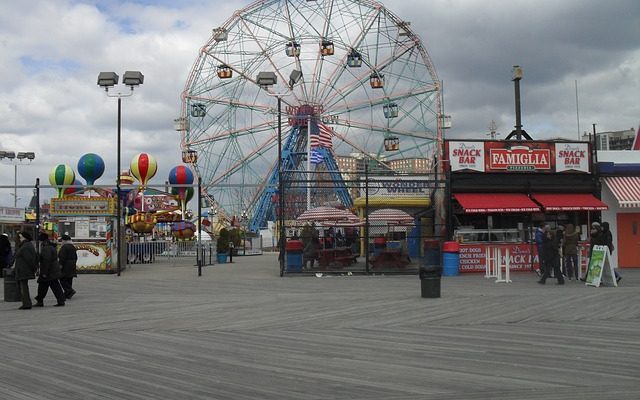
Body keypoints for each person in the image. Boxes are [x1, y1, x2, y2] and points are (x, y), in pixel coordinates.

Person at [34, 232, 66, 307]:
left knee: (44, 286)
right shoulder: (50, 246)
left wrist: (44, 272)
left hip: (49, 271)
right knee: (54, 286)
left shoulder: (46, 248)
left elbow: (46, 260)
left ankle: (40, 301)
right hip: (53, 271)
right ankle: (60, 300)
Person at [13, 231, 38, 310]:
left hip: (24, 270)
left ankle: (26, 303)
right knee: (23, 287)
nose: (19, 239)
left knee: (24, 287)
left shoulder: (26, 246)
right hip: (23, 269)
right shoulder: (25, 245)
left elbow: (29, 259)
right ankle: (26, 302)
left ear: (25, 237)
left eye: (20, 237)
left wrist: (33, 268)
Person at [58, 234, 78, 299]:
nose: (61, 242)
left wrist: (60, 264)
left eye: (62, 240)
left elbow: (62, 257)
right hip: (72, 265)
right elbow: (76, 257)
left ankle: (70, 291)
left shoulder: (64, 247)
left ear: (64, 240)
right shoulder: (72, 247)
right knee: (69, 279)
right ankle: (67, 294)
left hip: (66, 266)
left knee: (62, 279)